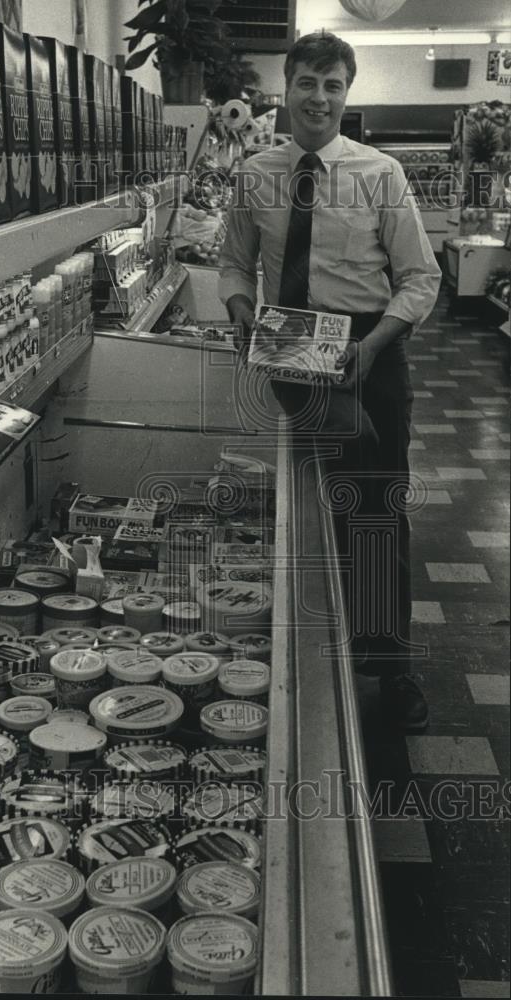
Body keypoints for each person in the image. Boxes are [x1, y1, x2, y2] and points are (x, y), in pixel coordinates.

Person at [218, 30, 442, 731]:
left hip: (370, 348)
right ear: (285, 88)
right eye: (307, 83)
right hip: (290, 346)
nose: (318, 98)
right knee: (328, 492)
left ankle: (388, 666)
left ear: (347, 93)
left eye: (332, 85)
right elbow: (232, 264)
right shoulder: (255, 173)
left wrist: (373, 347)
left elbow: (419, 278)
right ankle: (320, 645)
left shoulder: (380, 174)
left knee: (375, 501)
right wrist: (236, 312)